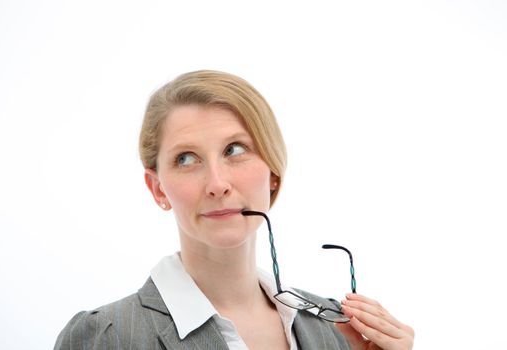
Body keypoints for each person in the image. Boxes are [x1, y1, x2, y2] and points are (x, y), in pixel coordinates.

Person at [54, 70, 414, 349]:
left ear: (273, 171)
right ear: (158, 188)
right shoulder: (104, 337)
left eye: (235, 150)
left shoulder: (335, 329)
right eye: (186, 158)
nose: (217, 183)